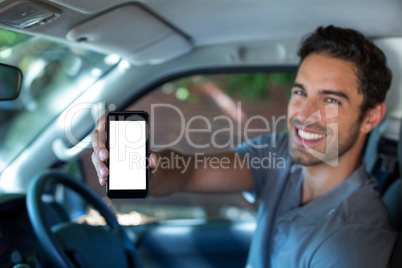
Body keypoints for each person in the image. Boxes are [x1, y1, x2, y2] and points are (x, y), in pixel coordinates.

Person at [91, 25, 397, 267]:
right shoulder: (281, 152)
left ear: (371, 116)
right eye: (300, 92)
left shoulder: (352, 243)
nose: (303, 116)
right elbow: (188, 172)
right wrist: (149, 168)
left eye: (330, 100)